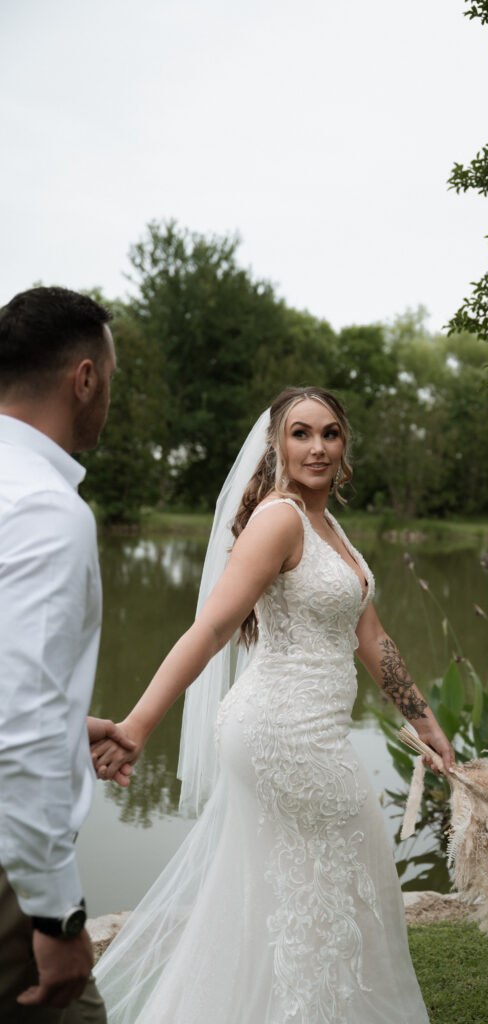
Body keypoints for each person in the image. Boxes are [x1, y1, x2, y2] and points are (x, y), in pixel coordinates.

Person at [92, 386, 455, 1023]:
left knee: (299, 889)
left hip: (310, 731)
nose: (318, 447)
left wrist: (425, 721)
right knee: (343, 876)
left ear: (345, 448)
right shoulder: (280, 518)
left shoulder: (328, 526)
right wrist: (137, 724)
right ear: (277, 446)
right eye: (301, 433)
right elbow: (209, 629)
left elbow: (371, 638)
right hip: (280, 732)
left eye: (331, 433)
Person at [0, 286, 136, 1022]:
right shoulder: (46, 510)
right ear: (84, 378)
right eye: (109, 380)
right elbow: (16, 729)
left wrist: (63, 724)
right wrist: (55, 919)